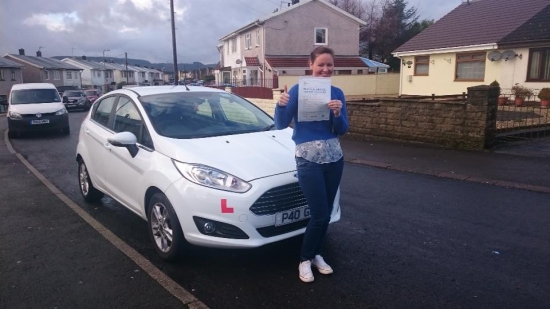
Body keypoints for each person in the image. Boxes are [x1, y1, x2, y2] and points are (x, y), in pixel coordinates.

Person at [274, 46, 348, 283]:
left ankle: (317, 254)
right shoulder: (298, 90)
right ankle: (305, 259)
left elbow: (343, 130)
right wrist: (282, 103)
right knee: (318, 214)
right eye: (321, 65)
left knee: (325, 215)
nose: (326, 69)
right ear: (311, 65)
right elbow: (280, 123)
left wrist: (338, 114)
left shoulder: (337, 93)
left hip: (335, 158)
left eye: (329, 65)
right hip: (308, 160)